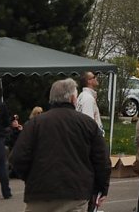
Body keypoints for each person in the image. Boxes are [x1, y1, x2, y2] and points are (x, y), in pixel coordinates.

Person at [11, 77, 110, 212]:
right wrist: (101, 188)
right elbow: (101, 159)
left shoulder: (35, 124)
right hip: (75, 192)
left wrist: (31, 177)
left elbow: (17, 157)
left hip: (39, 193)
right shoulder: (88, 124)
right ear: (73, 99)